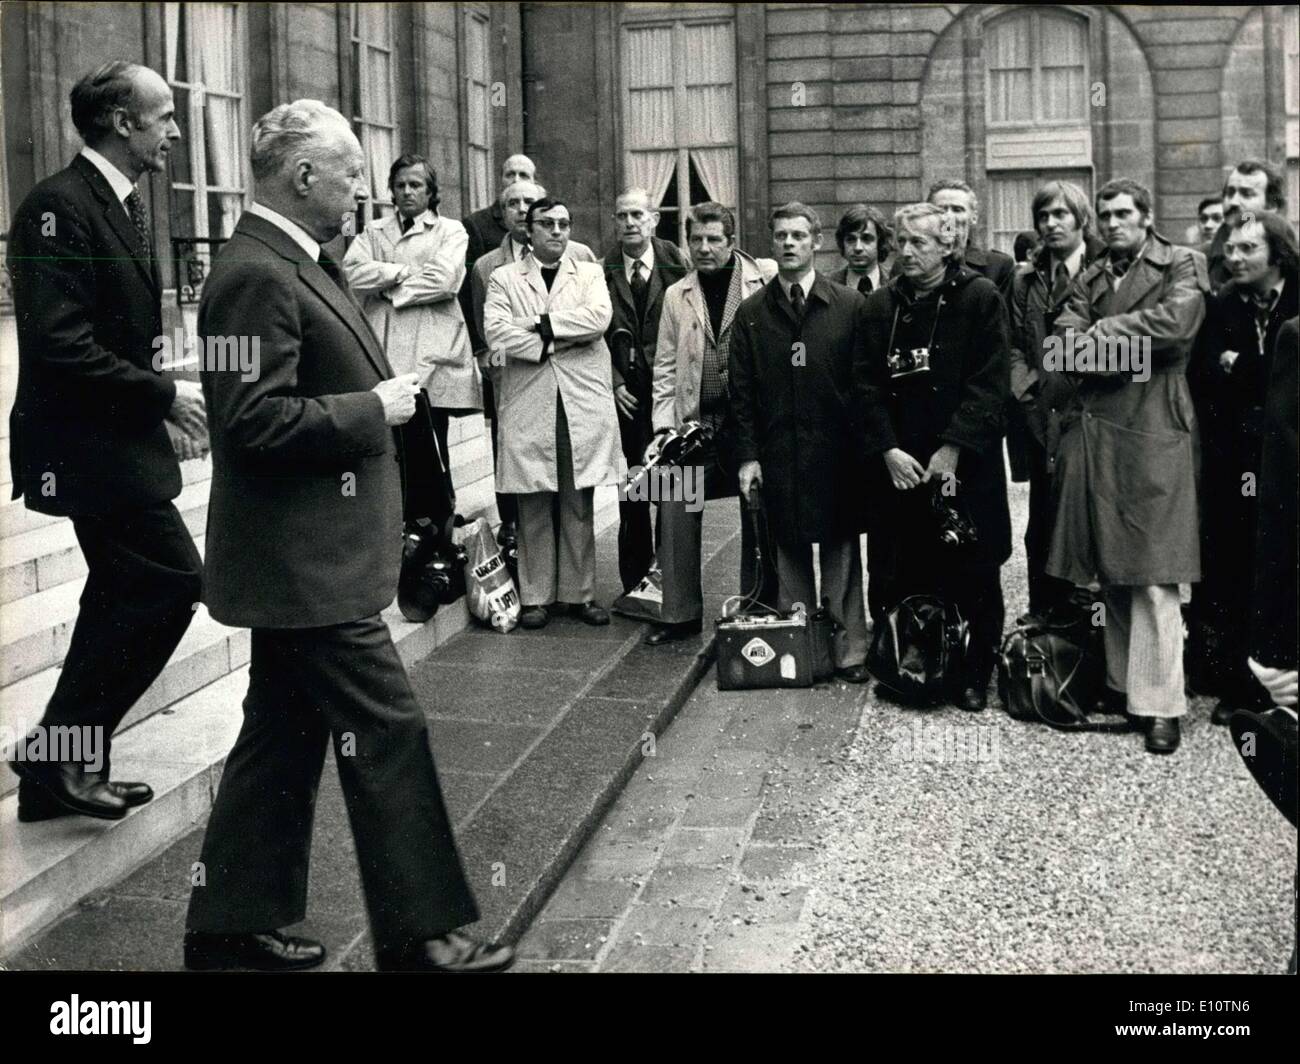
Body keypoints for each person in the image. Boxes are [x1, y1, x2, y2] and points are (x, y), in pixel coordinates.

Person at [183, 99, 512, 973]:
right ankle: (420, 936)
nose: (362, 191)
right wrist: (373, 408)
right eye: (351, 174)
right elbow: (247, 419)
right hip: (305, 565)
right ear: (303, 177)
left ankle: (228, 926)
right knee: (389, 728)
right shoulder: (257, 272)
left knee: (277, 739)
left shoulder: (288, 260)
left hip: (307, 558)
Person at [4, 61, 204, 822]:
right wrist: (160, 394)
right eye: (164, 118)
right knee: (170, 582)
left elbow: (111, 334)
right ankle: (57, 753)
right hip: (84, 450)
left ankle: (60, 771)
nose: (176, 132)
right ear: (122, 124)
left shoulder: (115, 203)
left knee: (127, 589)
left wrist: (160, 391)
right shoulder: (57, 206)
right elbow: (60, 343)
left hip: (113, 441)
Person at [1051, 178, 1208, 755]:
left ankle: (1162, 705)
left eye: (1125, 214)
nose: (1114, 223)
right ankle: (1124, 689)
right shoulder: (1090, 275)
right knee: (1113, 572)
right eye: (1108, 215)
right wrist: (1097, 345)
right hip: (1102, 432)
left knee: (1157, 576)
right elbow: (1059, 348)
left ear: (1146, 217)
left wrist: (1102, 334)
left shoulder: (1181, 264)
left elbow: (1176, 332)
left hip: (1155, 428)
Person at [859, 203, 1012, 711]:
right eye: (900, 242)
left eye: (918, 243)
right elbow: (863, 386)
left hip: (961, 467)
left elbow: (989, 383)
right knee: (900, 569)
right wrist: (886, 449)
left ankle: (974, 672)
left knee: (971, 570)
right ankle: (909, 665)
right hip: (899, 466)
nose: (905, 252)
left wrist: (953, 449)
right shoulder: (880, 307)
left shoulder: (980, 298)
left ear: (947, 246)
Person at [729, 203, 872, 682]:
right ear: (771, 244)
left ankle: (850, 651)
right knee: (788, 553)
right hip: (779, 453)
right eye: (781, 236)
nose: (789, 243)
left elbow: (865, 386)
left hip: (837, 455)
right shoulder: (751, 314)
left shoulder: (849, 307)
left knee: (841, 555)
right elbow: (742, 394)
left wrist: (865, 449)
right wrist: (748, 456)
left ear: (816, 242)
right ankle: (802, 651)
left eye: (798, 235)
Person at [644, 202, 778, 644]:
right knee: (673, 509)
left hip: (749, 424)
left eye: (714, 239)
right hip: (693, 422)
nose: (704, 248)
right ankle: (679, 615)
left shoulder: (765, 282)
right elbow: (664, 367)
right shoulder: (675, 295)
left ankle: (756, 608)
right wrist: (664, 430)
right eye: (696, 240)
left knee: (758, 514)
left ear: (732, 242)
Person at [483, 197, 620, 629]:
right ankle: (536, 596)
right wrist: (560, 341)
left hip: (579, 400)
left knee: (578, 496)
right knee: (533, 499)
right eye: (547, 224)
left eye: (564, 223)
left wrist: (540, 325)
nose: (557, 231)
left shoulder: (590, 272)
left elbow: (598, 319)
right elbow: (498, 334)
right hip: (529, 399)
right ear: (529, 229)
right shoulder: (503, 278)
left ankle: (579, 596)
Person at [1190, 212, 1298, 724]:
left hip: (1288, 457)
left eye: (1248, 248)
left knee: (1281, 569)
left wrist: (1246, 366)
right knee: (1231, 568)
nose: (1234, 257)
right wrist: (1248, 371)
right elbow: (1206, 373)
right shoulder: (1221, 306)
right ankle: (1239, 686)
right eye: (1230, 248)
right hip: (1234, 459)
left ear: (1277, 253)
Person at [342, 153, 480, 504]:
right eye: (400, 185)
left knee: (432, 445)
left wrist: (389, 287)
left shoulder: (451, 230)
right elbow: (352, 271)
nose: (407, 192)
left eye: (416, 185)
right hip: (385, 345)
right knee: (390, 445)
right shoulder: (373, 231)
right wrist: (399, 272)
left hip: (433, 349)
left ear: (431, 191)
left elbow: (445, 280)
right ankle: (400, 528)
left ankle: (440, 528)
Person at [469, 180, 597, 552]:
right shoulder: (488, 267)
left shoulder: (582, 259)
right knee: (524, 474)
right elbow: (488, 329)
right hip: (517, 378)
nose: (522, 208)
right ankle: (511, 527)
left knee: (579, 480)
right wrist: (498, 369)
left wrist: (543, 332)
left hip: (577, 383)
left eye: (530, 201)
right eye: (514, 203)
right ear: (505, 214)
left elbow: (597, 321)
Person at [1009, 180, 1105, 621]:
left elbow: (1122, 349)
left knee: (1091, 517)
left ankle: (1090, 620)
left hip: (1091, 414)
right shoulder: (1025, 280)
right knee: (1042, 520)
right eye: (1043, 216)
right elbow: (1010, 344)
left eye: (1060, 214)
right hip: (1039, 414)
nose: (1050, 224)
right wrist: (1027, 393)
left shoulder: (1105, 271)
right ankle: (1042, 615)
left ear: (1081, 219)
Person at [603, 187, 690, 592]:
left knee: (675, 493)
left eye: (637, 214)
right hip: (628, 398)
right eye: (622, 216)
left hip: (671, 392)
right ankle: (635, 583)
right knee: (634, 493)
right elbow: (593, 336)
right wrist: (615, 381)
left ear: (654, 219)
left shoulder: (676, 262)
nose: (630, 223)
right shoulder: (602, 269)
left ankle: (673, 584)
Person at [1206, 160, 1287, 292]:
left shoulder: (1288, 255)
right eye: (1230, 193)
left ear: (1271, 206)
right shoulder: (1200, 259)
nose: (1233, 202)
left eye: (1247, 194)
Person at [463, 153, 537, 267]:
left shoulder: (549, 220)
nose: (516, 180)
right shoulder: (476, 224)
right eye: (510, 175)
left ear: (534, 182)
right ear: (501, 180)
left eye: (523, 175)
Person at [830, 204, 892, 295]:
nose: (858, 248)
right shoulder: (828, 286)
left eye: (866, 239)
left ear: (880, 242)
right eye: (851, 239)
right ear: (842, 243)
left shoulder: (895, 284)